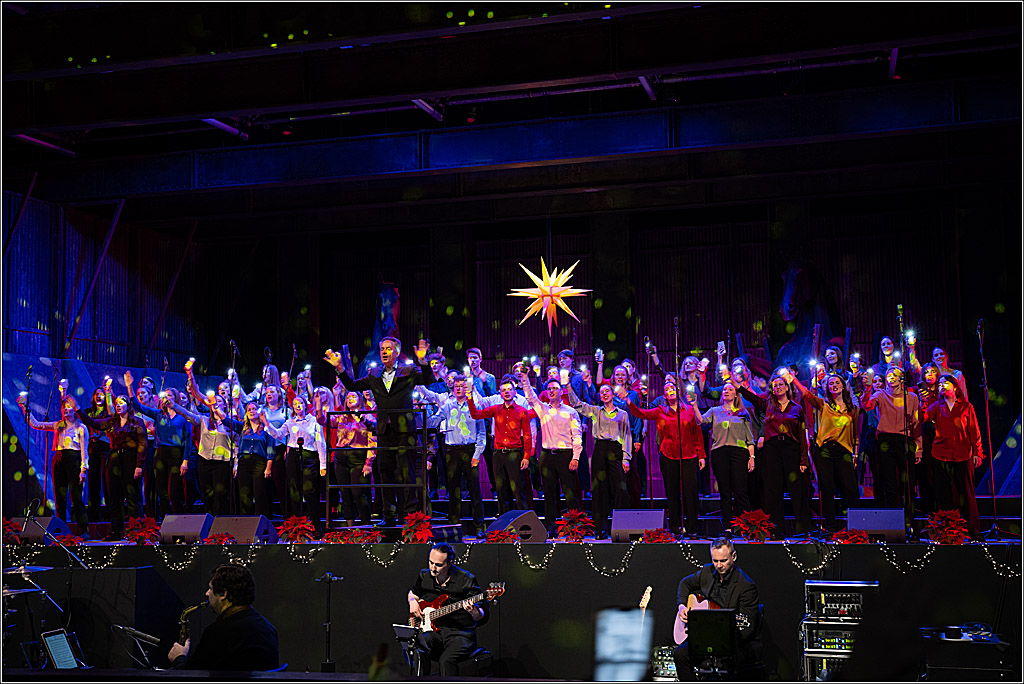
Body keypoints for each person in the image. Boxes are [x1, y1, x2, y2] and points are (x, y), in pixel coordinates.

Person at [326, 337, 433, 525]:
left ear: (397, 352)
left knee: (406, 473)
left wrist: (423, 361)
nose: (384, 352)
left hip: (405, 430)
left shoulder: (408, 370)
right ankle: (389, 515)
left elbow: (429, 380)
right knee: (385, 472)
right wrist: (340, 368)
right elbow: (352, 386)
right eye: (382, 348)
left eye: (388, 349)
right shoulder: (374, 373)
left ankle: (409, 516)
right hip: (384, 430)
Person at [620, 380, 705, 538]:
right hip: (668, 456)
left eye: (672, 388)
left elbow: (697, 433)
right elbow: (640, 413)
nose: (670, 390)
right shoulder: (660, 411)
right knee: (672, 493)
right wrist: (629, 402)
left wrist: (702, 455)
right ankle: (675, 527)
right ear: (664, 395)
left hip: (689, 455)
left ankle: (692, 529)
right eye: (667, 389)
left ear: (677, 391)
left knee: (690, 493)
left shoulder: (688, 410)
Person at [736, 368, 811, 538]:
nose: (777, 387)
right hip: (772, 450)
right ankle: (775, 530)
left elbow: (801, 435)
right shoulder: (767, 405)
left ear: (786, 387)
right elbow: (752, 398)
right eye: (774, 386)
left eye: (780, 384)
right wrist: (739, 387)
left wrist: (803, 460)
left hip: (791, 449)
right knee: (772, 490)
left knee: (797, 488)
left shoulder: (797, 408)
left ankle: (803, 529)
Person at [673, 538, 759, 681]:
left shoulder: (746, 586)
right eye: (715, 561)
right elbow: (685, 584)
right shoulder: (707, 572)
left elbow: (747, 628)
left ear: (734, 556)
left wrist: (721, 634)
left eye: (723, 561)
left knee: (723, 662)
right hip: (705, 637)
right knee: (680, 654)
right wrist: (681, 606)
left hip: (732, 641)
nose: (719, 565)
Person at [169, 564, 279, 671]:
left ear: (223, 594)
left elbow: (192, 677)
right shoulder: (267, 627)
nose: (207, 593)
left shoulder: (218, 633)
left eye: (210, 588)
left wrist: (179, 658)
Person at [565, 373, 632, 540]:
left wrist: (626, 458)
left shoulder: (622, 413)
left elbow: (627, 436)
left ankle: (620, 529)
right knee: (599, 490)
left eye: (607, 391)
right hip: (600, 450)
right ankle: (600, 529)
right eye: (601, 392)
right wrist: (567, 387)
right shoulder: (596, 411)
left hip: (616, 451)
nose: (604, 393)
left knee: (619, 489)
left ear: (612, 393)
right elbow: (577, 404)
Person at [76, 385, 147, 540]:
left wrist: (139, 465)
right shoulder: (112, 422)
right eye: (117, 403)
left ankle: (137, 532)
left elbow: (142, 444)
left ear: (128, 406)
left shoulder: (137, 422)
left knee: (132, 496)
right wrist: (78, 409)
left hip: (130, 458)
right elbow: (93, 423)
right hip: (114, 459)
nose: (118, 405)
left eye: (122, 403)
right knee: (114, 496)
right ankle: (116, 531)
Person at [18, 386, 90, 538]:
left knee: (76, 498)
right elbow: (37, 424)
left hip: (74, 461)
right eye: (64, 408)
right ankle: (61, 530)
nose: (66, 410)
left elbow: (84, 451)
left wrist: (83, 470)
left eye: (69, 407)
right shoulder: (59, 425)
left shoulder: (81, 428)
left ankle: (84, 530)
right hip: (58, 459)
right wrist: (25, 408)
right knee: (60, 496)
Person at [792, 372, 861, 531]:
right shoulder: (824, 404)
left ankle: (856, 528)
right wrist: (794, 379)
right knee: (827, 489)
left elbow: (855, 434)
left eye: (837, 382)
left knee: (850, 488)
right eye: (831, 384)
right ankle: (829, 527)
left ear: (843, 385)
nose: (834, 385)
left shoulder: (853, 409)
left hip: (844, 450)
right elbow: (807, 395)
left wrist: (855, 454)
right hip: (824, 451)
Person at [408, 543, 488, 676]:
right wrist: (412, 601)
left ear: (449, 563)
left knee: (446, 660)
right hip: (435, 631)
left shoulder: (466, 579)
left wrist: (474, 611)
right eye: (431, 562)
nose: (433, 568)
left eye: (438, 565)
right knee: (418, 647)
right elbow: (413, 593)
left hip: (460, 634)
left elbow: (481, 615)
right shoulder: (425, 576)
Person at [859, 365, 922, 530]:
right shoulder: (880, 394)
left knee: (908, 483)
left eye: (894, 375)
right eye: (888, 375)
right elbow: (867, 405)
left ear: (901, 377)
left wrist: (919, 447)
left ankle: (910, 523)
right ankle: (893, 524)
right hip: (886, 441)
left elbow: (916, 424)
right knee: (889, 483)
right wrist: (866, 389)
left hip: (905, 441)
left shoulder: (912, 397)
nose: (891, 377)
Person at [520, 372, 583, 537]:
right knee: (549, 493)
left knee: (570, 493)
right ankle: (550, 527)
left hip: (565, 455)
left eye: (555, 388)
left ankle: (574, 527)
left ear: (561, 391)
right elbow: (531, 397)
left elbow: (577, 436)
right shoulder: (543, 409)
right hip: (547, 456)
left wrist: (575, 457)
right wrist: (525, 379)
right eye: (549, 389)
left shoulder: (571, 411)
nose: (552, 391)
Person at [687, 381, 755, 532]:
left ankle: (746, 526)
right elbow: (700, 420)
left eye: (730, 389)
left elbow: (749, 438)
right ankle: (729, 527)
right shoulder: (714, 410)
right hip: (720, 452)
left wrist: (752, 457)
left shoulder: (743, 413)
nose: (726, 391)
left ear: (736, 394)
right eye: (724, 389)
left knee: (740, 491)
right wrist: (694, 406)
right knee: (724, 492)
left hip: (739, 452)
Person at [921, 375, 983, 538]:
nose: (941, 385)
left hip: (963, 454)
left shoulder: (965, 406)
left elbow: (973, 431)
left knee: (967, 494)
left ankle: (973, 531)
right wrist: (922, 403)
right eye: (940, 383)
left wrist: (978, 453)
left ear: (955, 387)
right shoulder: (936, 406)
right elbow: (923, 418)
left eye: (945, 383)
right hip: (940, 454)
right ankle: (946, 531)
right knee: (943, 494)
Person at [126, 371, 192, 518]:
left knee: (174, 490)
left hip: (176, 454)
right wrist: (129, 387)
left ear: (175, 398)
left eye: (169, 396)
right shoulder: (158, 414)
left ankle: (178, 521)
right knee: (161, 491)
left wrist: (185, 460)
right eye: (164, 396)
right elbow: (138, 407)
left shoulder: (183, 416)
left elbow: (188, 439)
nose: (166, 399)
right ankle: (165, 523)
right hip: (160, 453)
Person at [427, 374, 487, 536]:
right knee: (453, 489)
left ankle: (479, 526)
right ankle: (453, 526)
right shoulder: (448, 405)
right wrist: (424, 409)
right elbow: (432, 422)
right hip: (451, 451)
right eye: (457, 386)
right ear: (453, 388)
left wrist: (477, 453)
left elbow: (482, 432)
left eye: (462, 385)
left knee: (474, 489)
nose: (459, 388)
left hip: (470, 450)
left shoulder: (474, 406)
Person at [468, 374, 536, 514]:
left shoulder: (522, 411)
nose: (506, 392)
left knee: (518, 489)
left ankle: (523, 522)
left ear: (514, 392)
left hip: (515, 453)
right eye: (503, 389)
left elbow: (528, 435)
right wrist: (469, 396)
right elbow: (475, 414)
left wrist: (526, 456)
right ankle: (504, 525)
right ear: (500, 393)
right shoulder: (495, 409)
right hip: (498, 454)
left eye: (509, 389)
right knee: (501, 490)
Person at [262, 396, 327, 535]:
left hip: (309, 456)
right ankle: (298, 528)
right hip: (293, 456)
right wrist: (266, 423)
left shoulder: (314, 421)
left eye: (300, 403)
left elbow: (320, 442)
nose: (297, 406)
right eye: (295, 404)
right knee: (294, 492)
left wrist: (323, 464)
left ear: (305, 405)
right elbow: (279, 435)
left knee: (309, 491)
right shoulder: (290, 422)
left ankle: (316, 527)